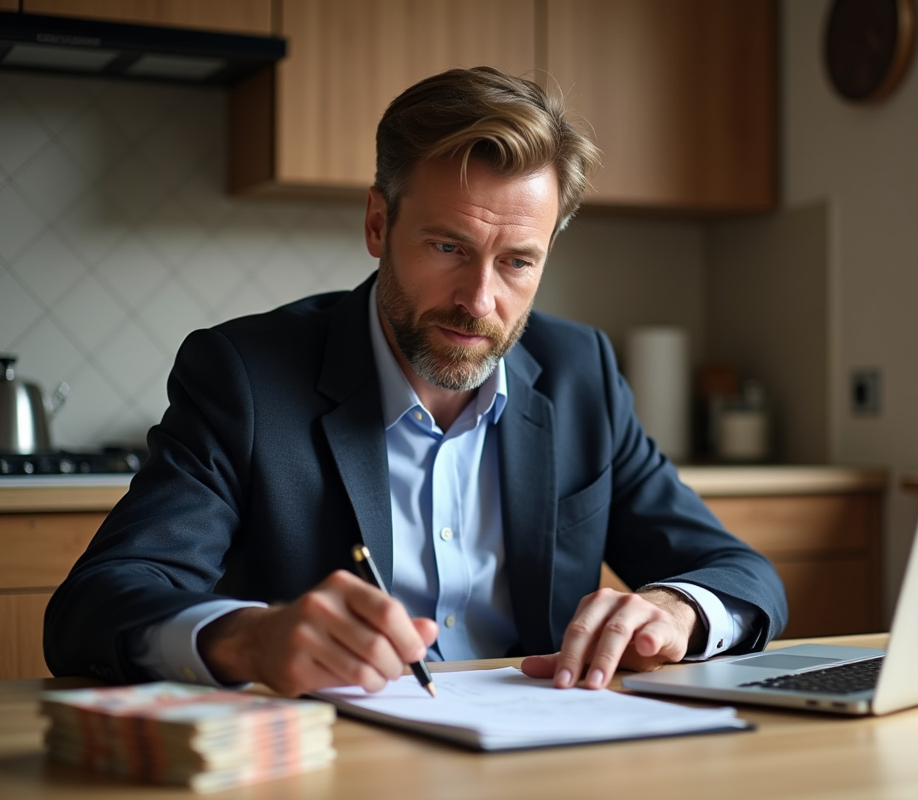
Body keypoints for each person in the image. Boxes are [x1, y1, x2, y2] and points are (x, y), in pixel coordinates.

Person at [44, 67, 787, 697]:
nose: (480, 300)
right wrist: (248, 638)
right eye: (448, 247)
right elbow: (93, 605)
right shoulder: (245, 377)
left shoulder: (579, 372)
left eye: (517, 262)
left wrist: (678, 609)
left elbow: (741, 573)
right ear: (378, 224)